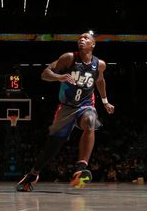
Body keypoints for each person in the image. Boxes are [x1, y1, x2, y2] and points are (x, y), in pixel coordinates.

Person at [16, 31, 115, 192]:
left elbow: (100, 81)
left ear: (93, 44)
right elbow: (45, 73)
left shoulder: (100, 64)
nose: (82, 40)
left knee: (90, 121)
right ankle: (33, 173)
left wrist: (105, 102)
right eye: (80, 38)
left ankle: (80, 168)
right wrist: (58, 77)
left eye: (86, 38)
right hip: (66, 108)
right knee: (53, 147)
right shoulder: (69, 57)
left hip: (85, 105)